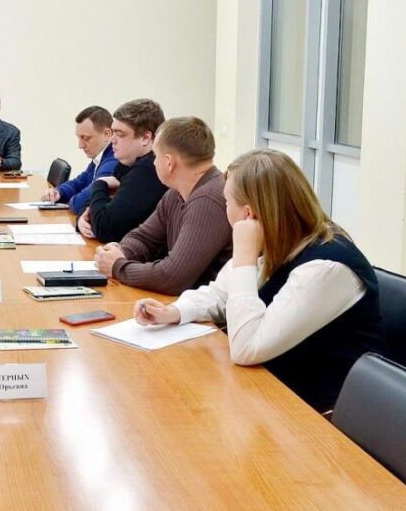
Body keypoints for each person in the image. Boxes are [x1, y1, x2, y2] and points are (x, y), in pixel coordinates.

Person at [132, 149, 387, 412]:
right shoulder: (280, 240)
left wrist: (244, 254)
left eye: (227, 203)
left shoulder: (325, 268)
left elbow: (247, 348)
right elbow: (219, 294)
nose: (225, 211)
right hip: (275, 391)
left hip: (321, 416)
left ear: (248, 214)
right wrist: (174, 311)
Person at [94, 117, 232, 295]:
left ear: (169, 162)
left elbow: (172, 277)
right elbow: (144, 237)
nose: (153, 162)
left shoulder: (208, 200)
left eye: (155, 156)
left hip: (208, 310)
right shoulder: (176, 192)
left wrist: (117, 266)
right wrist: (120, 251)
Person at [77, 99, 169, 242]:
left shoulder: (148, 170)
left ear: (145, 138)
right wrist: (82, 218)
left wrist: (100, 183)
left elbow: (105, 228)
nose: (112, 140)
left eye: (120, 134)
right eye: (113, 132)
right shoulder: (126, 163)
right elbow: (91, 207)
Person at [42, 105, 120, 214]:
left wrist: (72, 201)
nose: (80, 145)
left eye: (85, 138)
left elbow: (81, 203)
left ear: (106, 134)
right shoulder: (100, 158)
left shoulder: (114, 159)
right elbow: (79, 182)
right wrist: (59, 191)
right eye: (79, 138)